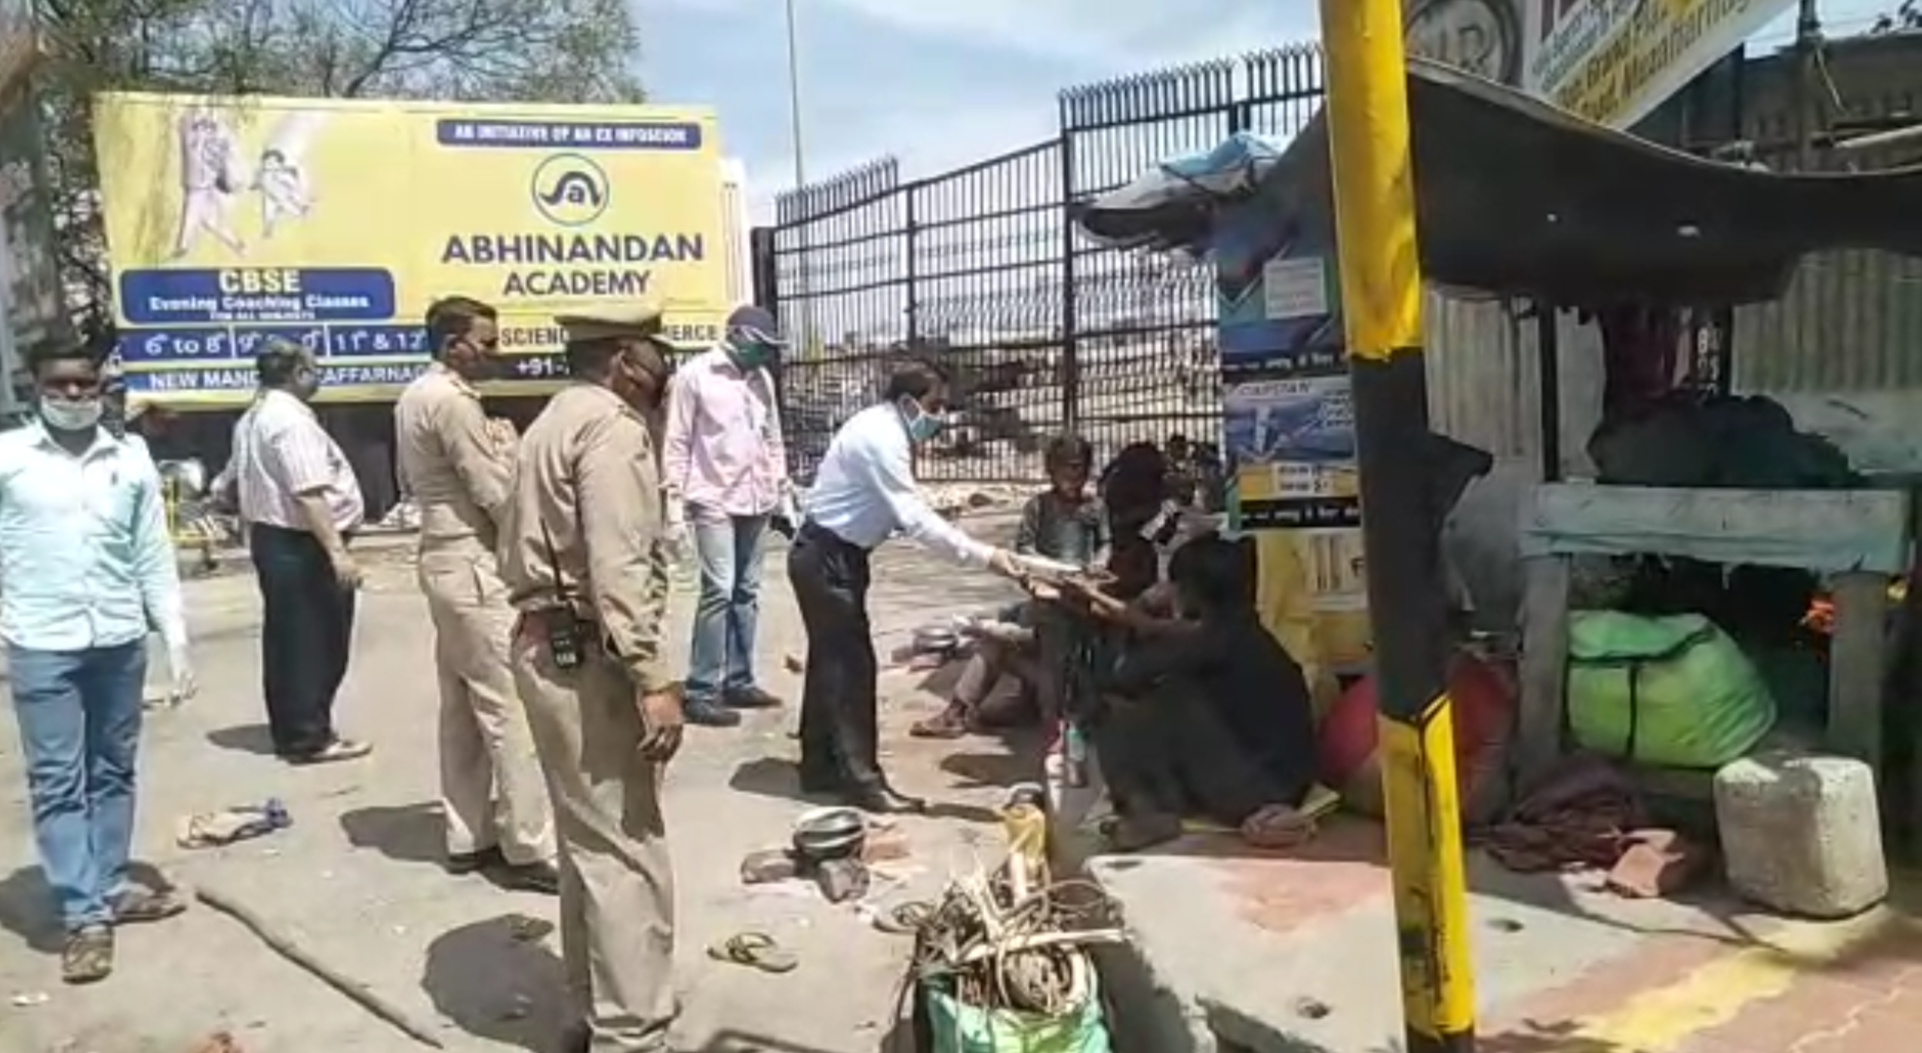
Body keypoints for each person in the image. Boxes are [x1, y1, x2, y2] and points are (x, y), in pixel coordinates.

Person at [499, 304, 685, 1053]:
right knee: (627, 847)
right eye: (653, 352)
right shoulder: (611, 429)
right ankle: (634, 1033)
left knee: (588, 840)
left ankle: (594, 1009)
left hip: (546, 643)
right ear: (621, 359)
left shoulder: (550, 419)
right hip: (590, 657)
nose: (662, 366)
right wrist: (653, 675)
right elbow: (619, 565)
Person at [0, 338, 197, 984]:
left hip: (117, 638)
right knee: (59, 777)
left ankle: (110, 882)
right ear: (35, 387)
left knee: (113, 768)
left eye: (86, 383)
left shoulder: (130, 456)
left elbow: (151, 552)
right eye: (61, 385)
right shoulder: (9, 459)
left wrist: (174, 634)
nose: (76, 395)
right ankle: (84, 914)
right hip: (41, 640)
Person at [789, 357, 1025, 814]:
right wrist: (988, 557)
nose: (939, 417)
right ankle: (863, 780)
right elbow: (914, 519)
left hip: (834, 555)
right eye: (934, 406)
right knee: (852, 668)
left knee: (830, 664)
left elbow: (906, 507)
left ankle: (820, 766)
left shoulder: (882, 426)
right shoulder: (883, 437)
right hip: (827, 558)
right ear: (906, 402)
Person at [396, 296, 558, 893]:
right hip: (469, 561)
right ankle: (527, 845)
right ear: (452, 344)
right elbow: (493, 491)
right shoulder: (451, 402)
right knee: (507, 704)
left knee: (462, 704)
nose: (494, 353)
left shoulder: (417, 394)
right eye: (485, 342)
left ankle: (468, 833)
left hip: (441, 558)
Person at [1067, 534, 1318, 851]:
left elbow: (1124, 676)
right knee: (1176, 699)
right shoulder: (1240, 631)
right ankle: (1166, 800)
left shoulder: (1212, 641)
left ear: (1190, 592)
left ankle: (1145, 809)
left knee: (1131, 705)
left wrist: (1143, 619)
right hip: (1281, 781)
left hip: (1258, 792)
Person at [225, 339, 369, 763]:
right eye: (314, 368)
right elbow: (309, 493)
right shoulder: (290, 422)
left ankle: (293, 729)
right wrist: (337, 553)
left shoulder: (253, 417)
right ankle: (311, 736)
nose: (319, 376)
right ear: (299, 373)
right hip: (302, 544)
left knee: (288, 640)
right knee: (317, 641)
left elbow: (229, 481)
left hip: (274, 540)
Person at [660, 304, 792, 727]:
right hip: (712, 495)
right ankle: (701, 688)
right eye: (760, 346)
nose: (764, 355)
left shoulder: (761, 380)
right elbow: (677, 442)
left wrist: (781, 488)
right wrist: (674, 507)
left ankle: (739, 678)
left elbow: (772, 436)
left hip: (755, 497)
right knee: (718, 587)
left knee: (747, 591)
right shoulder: (695, 376)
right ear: (735, 335)